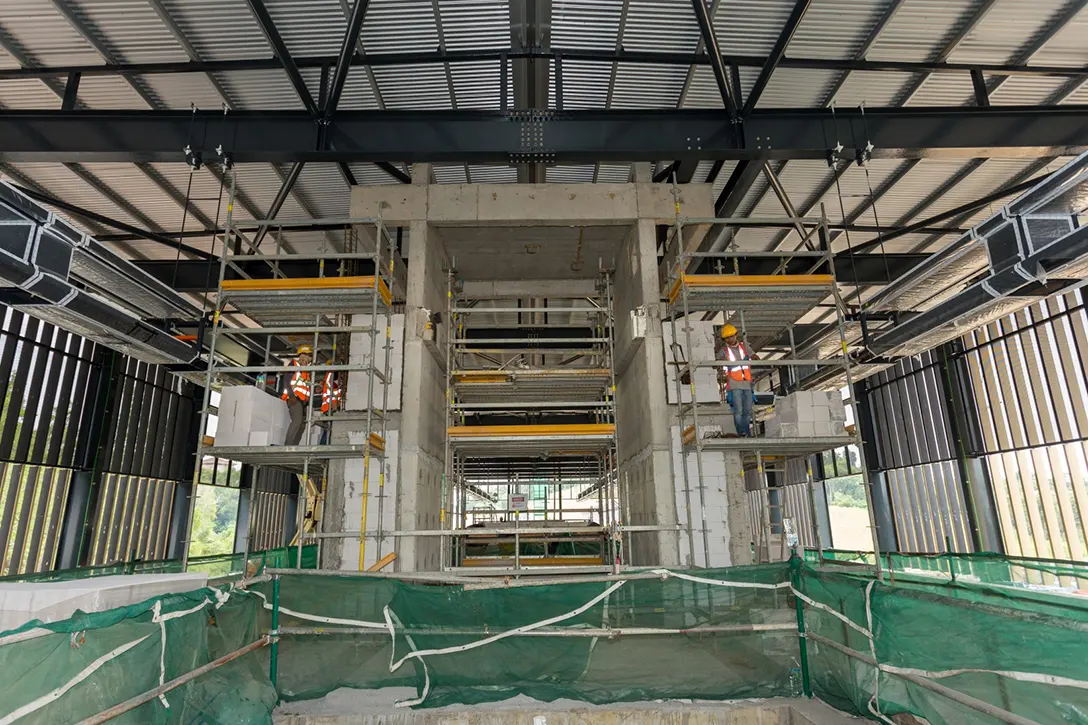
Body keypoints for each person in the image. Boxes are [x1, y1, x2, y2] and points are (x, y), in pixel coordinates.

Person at [716, 323, 758, 437]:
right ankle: (742, 432)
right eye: (727, 338)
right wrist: (721, 361)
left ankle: (745, 432)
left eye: (731, 336)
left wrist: (754, 357)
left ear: (736, 335)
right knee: (738, 410)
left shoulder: (744, 347)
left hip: (747, 384)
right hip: (734, 385)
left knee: (747, 411)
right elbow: (715, 363)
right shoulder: (724, 350)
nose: (730, 339)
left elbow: (753, 355)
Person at [282, 344, 313, 445]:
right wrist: (291, 396)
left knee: (302, 425)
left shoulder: (305, 371)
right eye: (303, 357)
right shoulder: (294, 365)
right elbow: (286, 380)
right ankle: (288, 446)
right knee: (297, 422)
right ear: (300, 357)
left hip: (302, 401)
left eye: (307, 357)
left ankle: (294, 446)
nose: (305, 360)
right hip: (294, 398)